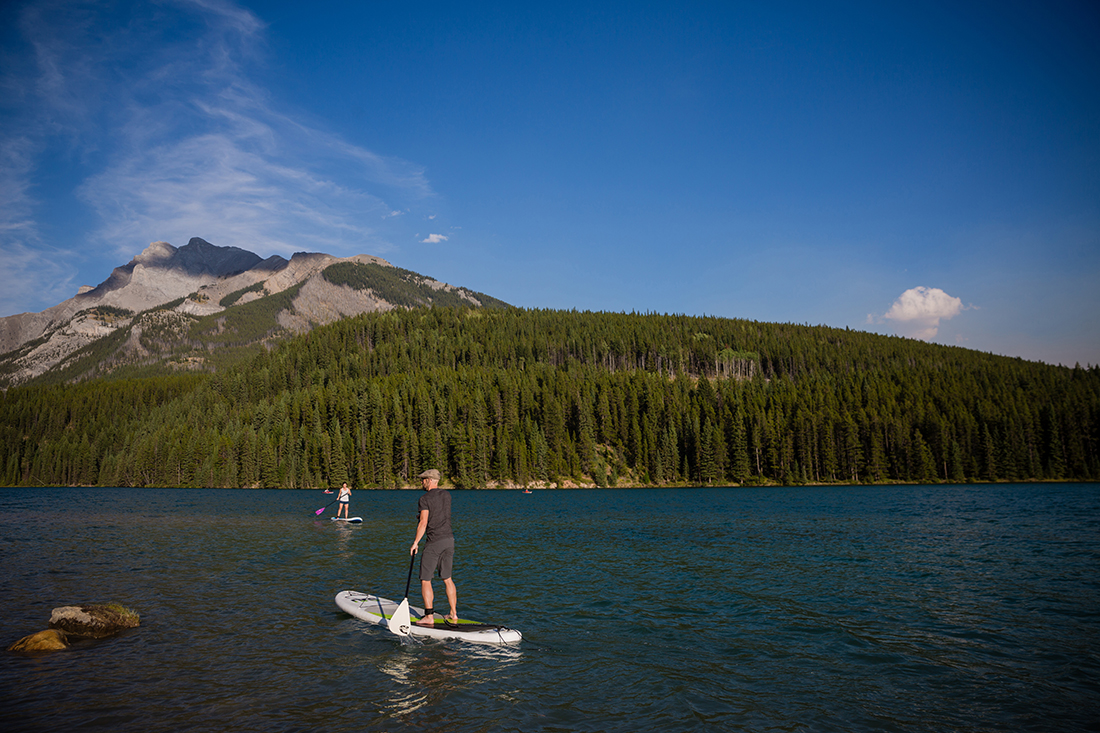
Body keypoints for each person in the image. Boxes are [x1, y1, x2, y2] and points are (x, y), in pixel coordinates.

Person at [409, 468, 458, 626]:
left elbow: (423, 523)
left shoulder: (424, 499)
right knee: (447, 578)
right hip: (449, 540)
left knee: (425, 579)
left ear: (430, 480)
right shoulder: (447, 495)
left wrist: (416, 542)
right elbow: (439, 513)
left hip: (434, 542)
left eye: (423, 479)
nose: (421, 482)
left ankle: (429, 616)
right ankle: (453, 614)